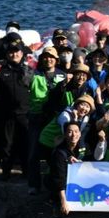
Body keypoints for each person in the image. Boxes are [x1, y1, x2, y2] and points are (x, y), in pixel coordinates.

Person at [0, 38, 33, 179]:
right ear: (7, 54)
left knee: (25, 143)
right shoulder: (1, 70)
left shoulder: (28, 70)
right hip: (8, 114)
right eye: (11, 52)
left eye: (17, 52)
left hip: (25, 114)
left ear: (22, 53)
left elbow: (33, 88)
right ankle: (6, 172)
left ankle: (26, 172)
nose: (14, 54)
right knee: (7, 144)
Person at [27, 46, 65, 193]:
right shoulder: (33, 74)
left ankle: (54, 183)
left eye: (51, 57)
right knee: (33, 152)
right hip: (36, 117)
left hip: (55, 119)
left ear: (56, 60)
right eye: (45, 57)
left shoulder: (63, 75)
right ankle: (34, 185)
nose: (48, 59)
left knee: (54, 152)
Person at [48, 121, 83, 216]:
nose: (73, 135)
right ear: (64, 135)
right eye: (70, 132)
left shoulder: (84, 147)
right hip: (62, 183)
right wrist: (63, 201)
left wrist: (79, 163)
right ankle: (56, 200)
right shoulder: (59, 153)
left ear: (80, 133)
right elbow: (59, 178)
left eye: (76, 131)